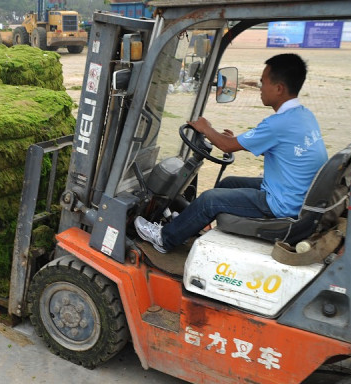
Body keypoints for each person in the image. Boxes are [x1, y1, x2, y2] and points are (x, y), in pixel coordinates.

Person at [135, 53, 327, 253]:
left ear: (279, 89)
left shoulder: (278, 123)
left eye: (263, 83)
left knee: (210, 199)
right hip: (296, 193)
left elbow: (227, 146)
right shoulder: (304, 115)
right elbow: (284, 151)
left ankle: (164, 239)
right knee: (228, 183)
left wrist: (206, 128)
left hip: (283, 204)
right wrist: (234, 140)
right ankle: (187, 225)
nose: (260, 89)